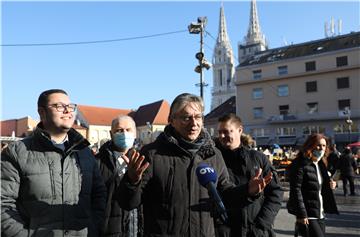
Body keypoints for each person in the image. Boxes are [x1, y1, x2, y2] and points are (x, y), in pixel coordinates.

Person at [117, 93, 271, 237]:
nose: (194, 123)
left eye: (198, 117)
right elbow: (128, 203)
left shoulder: (213, 154)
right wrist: (131, 181)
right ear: (171, 120)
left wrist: (247, 191)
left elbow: (225, 194)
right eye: (186, 118)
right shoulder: (152, 154)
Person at [1, 89, 107, 237]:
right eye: (59, 106)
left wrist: (93, 228)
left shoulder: (85, 152)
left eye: (70, 106)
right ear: (42, 112)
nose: (67, 111)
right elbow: (3, 203)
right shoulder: (17, 152)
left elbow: (99, 196)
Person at [215, 113, 283, 237]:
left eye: (226, 131)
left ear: (239, 130)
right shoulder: (214, 160)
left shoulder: (258, 158)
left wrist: (262, 224)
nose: (222, 136)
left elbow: (276, 192)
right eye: (219, 132)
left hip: (257, 231)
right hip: (226, 231)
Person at [96, 115, 142, 237]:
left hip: (138, 229)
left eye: (128, 130)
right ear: (111, 134)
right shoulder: (98, 162)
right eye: (119, 130)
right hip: (109, 231)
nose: (124, 134)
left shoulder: (144, 160)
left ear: (135, 133)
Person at [287, 133, 338, 237]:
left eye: (324, 146)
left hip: (320, 213)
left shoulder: (320, 164)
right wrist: (301, 214)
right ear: (310, 145)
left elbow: (320, 186)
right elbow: (296, 190)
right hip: (308, 214)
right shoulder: (300, 164)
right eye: (318, 145)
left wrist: (331, 185)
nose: (321, 148)